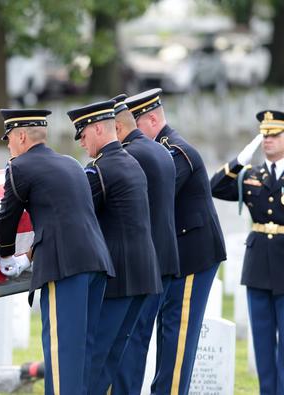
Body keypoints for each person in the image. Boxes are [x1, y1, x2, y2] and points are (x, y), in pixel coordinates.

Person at [0, 108, 114, 395]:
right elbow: (63, 219)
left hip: (65, 267)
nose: (8, 146)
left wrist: (7, 255)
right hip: (96, 261)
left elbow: (6, 218)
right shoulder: (71, 162)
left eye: (9, 139)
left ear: (21, 136)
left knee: (63, 354)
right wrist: (29, 257)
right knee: (83, 350)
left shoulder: (20, 167)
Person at [211, 110, 284, 395]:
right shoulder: (250, 175)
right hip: (258, 268)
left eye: (274, 135)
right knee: (262, 342)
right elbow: (213, 187)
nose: (267, 141)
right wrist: (239, 161)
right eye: (264, 136)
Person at [125, 88, 226, 394]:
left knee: (177, 333)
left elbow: (151, 197)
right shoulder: (153, 150)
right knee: (163, 328)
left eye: (134, 126)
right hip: (173, 256)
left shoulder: (175, 152)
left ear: (152, 119)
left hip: (194, 254)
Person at [68, 99, 162, 394]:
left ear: (98, 129)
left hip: (118, 277)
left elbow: (78, 217)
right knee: (113, 357)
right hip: (144, 272)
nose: (82, 142)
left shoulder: (101, 169)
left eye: (83, 134)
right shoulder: (129, 161)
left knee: (95, 357)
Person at [110, 94, 180, 394]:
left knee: (129, 341)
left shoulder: (131, 155)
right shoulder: (159, 150)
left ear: (116, 127)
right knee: (137, 339)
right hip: (161, 258)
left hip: (141, 263)